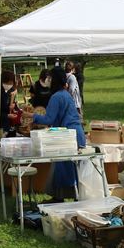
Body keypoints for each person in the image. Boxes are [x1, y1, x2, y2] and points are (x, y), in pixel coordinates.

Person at [32, 67, 86, 202]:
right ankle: (62, 196)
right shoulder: (66, 94)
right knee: (67, 167)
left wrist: (32, 117)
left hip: (68, 137)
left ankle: (61, 197)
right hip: (75, 134)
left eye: (50, 78)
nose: (48, 81)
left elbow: (48, 119)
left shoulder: (56, 97)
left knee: (64, 167)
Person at [0, 72, 18, 136]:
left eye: (11, 83)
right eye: (8, 83)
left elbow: (9, 105)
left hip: (5, 124)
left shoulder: (8, 92)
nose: (10, 85)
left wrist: (13, 106)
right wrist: (7, 115)